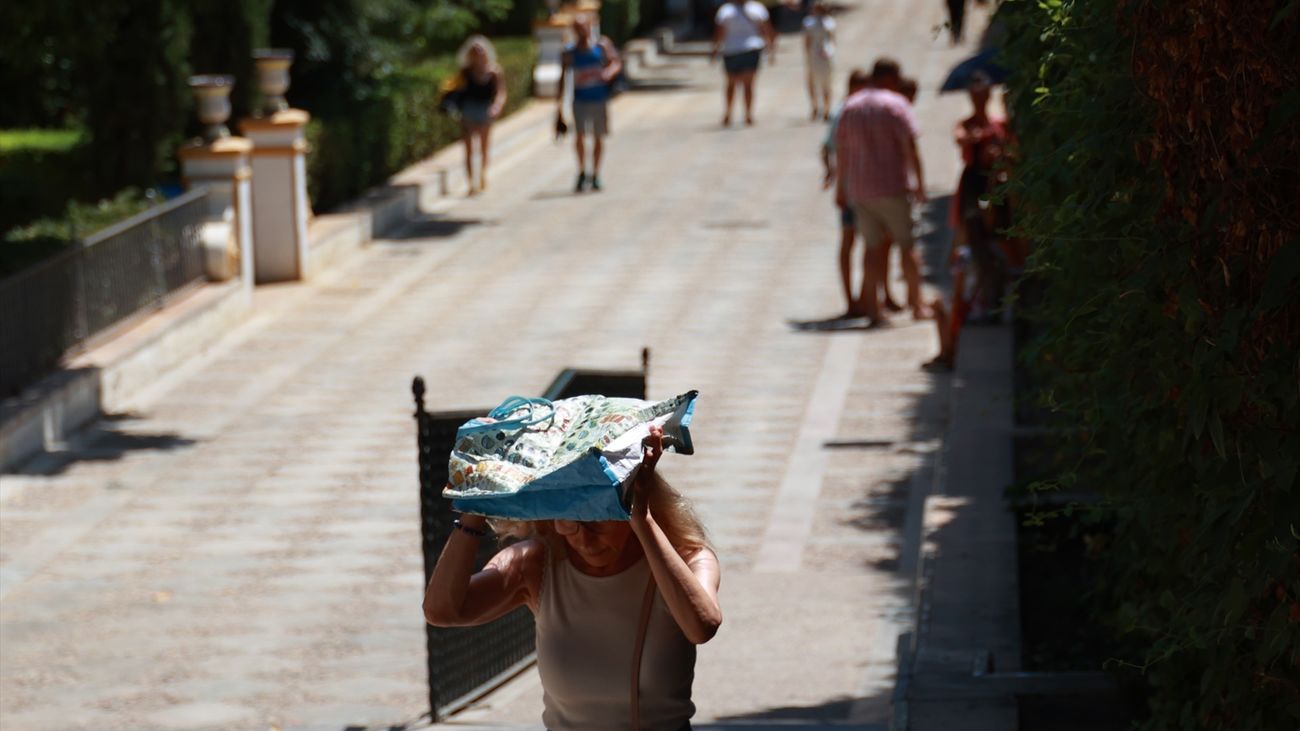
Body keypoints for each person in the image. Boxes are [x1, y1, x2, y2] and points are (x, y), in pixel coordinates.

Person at [424, 426, 722, 731]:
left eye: (598, 522)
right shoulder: (535, 563)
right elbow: (443, 611)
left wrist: (642, 518)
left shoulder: (686, 559)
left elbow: (701, 625)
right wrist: (475, 507)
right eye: (569, 522)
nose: (585, 540)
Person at [834, 58, 929, 324]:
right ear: (889, 78)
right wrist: (920, 184)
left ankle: (875, 311)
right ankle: (917, 304)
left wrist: (841, 188)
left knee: (872, 249)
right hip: (893, 187)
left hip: (861, 191)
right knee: (907, 246)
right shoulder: (896, 104)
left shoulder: (849, 107)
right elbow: (911, 147)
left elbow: (842, 151)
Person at [951, 71, 1010, 321]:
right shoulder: (966, 125)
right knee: (974, 238)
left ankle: (997, 297)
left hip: (996, 186)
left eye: (982, 95)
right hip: (974, 187)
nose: (979, 100)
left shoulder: (998, 125)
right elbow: (960, 139)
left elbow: (1010, 148)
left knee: (1001, 236)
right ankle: (979, 299)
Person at [558, 15, 622, 192]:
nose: (581, 30)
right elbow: (563, 77)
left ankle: (595, 173)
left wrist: (609, 72)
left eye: (583, 26)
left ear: (589, 26)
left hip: (599, 98)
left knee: (598, 137)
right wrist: (558, 105)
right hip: (579, 100)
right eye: (577, 27)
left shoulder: (601, 46)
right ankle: (581, 171)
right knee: (579, 136)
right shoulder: (570, 52)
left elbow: (615, 62)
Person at [455, 36, 507, 195]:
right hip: (469, 110)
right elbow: (457, 89)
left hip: (485, 109)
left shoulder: (494, 71)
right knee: (469, 148)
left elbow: (501, 92)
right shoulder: (465, 71)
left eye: (480, 50)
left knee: (484, 147)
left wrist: (497, 106)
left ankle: (483, 174)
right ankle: (471, 182)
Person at [712, 0, 776, 126]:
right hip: (741, 50)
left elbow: (719, 32)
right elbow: (767, 29)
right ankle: (741, 114)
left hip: (738, 49)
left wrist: (715, 49)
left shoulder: (726, 10)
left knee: (737, 84)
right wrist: (771, 48)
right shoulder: (755, 9)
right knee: (741, 84)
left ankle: (737, 114)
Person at [802, 2, 836, 121]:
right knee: (824, 82)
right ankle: (821, 107)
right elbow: (832, 40)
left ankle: (818, 107)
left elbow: (807, 42)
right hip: (824, 55)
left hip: (817, 54)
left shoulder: (810, 22)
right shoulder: (828, 22)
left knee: (816, 82)